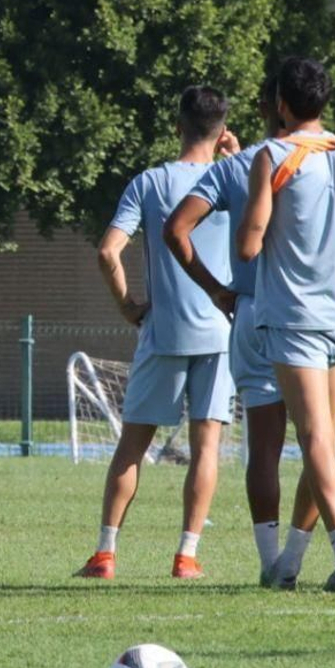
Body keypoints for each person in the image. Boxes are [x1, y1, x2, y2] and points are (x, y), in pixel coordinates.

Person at [163, 76, 335, 590]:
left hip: (281, 313)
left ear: (276, 105)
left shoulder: (259, 160)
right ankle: (323, 561)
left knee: (287, 441)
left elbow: (242, 244)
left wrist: (222, 288)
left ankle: (325, 559)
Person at [73, 86, 235, 581]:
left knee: (132, 446)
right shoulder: (238, 176)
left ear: (177, 126)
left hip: (164, 331)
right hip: (221, 332)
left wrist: (128, 306)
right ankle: (186, 557)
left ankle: (105, 554)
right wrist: (237, 155)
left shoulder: (149, 182)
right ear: (223, 128)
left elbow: (107, 251)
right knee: (207, 447)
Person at [236, 57, 335, 593]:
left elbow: (249, 244)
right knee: (323, 437)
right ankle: (291, 563)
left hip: (295, 315)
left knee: (315, 438)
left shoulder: (273, 154)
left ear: (280, 104)